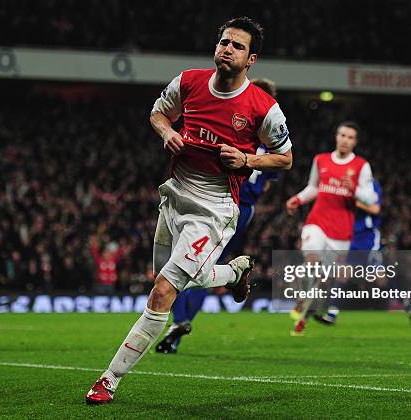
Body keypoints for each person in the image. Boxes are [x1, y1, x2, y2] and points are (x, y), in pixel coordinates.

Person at [86, 17, 293, 404]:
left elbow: (285, 159)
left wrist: (247, 158)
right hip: (174, 196)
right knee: (163, 276)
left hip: (214, 208)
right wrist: (167, 132)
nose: (226, 48)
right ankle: (233, 272)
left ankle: (108, 380)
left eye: (236, 45)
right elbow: (158, 113)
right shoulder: (189, 82)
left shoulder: (263, 108)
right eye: (223, 41)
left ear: (251, 59)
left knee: (163, 291)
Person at [155, 78, 280, 354]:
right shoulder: (267, 148)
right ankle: (182, 321)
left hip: (221, 204)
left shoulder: (238, 132)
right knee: (200, 264)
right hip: (239, 209)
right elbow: (270, 180)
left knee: (189, 263)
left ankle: (180, 320)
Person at [285, 121, 376, 335]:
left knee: (325, 280)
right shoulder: (321, 160)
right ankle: (302, 297)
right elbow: (314, 187)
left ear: (355, 142)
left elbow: (370, 198)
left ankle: (303, 319)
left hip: (341, 230)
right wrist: (298, 198)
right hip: (317, 221)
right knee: (312, 259)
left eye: (350, 137)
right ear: (336, 136)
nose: (345, 140)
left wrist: (353, 189)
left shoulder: (361, 166)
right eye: (342, 135)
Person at [314, 179, 411, 326]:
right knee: (343, 275)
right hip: (352, 238)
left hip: (369, 239)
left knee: (380, 279)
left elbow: (375, 209)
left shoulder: (372, 186)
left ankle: (408, 305)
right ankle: (331, 314)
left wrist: (354, 201)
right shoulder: (347, 186)